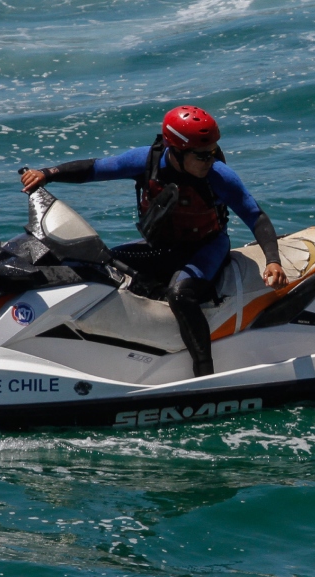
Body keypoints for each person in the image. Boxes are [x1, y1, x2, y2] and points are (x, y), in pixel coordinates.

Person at [20, 105, 288, 377]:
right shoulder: (146, 161)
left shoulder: (219, 177)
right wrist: (47, 174)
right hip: (161, 246)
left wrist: (273, 260)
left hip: (206, 247)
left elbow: (256, 217)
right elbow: (95, 168)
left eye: (213, 152)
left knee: (181, 295)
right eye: (202, 155)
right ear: (177, 150)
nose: (211, 160)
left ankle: (205, 373)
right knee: (99, 265)